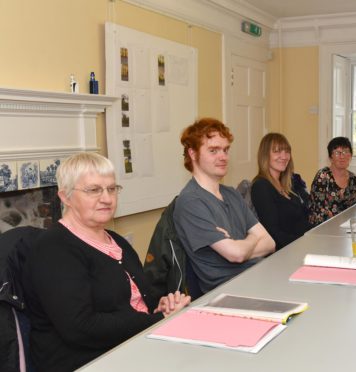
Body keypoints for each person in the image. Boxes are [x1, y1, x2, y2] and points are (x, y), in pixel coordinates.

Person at [22, 152, 190, 372]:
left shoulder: (117, 241)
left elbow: (137, 299)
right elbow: (81, 327)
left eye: (111, 189)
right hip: (87, 361)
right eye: (94, 190)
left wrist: (160, 306)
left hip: (132, 345)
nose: (107, 198)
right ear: (65, 197)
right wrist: (157, 319)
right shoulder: (53, 249)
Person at [173, 118, 275, 294]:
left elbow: (270, 243)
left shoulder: (231, 194)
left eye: (225, 150)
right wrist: (251, 239)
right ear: (192, 153)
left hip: (259, 277)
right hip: (230, 292)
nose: (223, 157)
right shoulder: (190, 202)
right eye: (213, 150)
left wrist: (240, 246)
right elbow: (236, 255)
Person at [251, 133, 311, 250]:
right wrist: (305, 244)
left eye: (287, 151)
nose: (284, 156)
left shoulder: (288, 184)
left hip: (302, 243)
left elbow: (301, 221)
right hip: (285, 251)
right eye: (277, 151)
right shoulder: (261, 186)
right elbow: (273, 233)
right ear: (265, 155)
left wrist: (317, 234)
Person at [308, 136, 356, 226]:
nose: (342, 156)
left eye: (346, 152)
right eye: (337, 153)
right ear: (330, 157)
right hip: (321, 227)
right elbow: (320, 211)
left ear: (351, 156)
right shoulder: (323, 176)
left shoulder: (353, 179)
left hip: (345, 227)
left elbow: (353, 209)